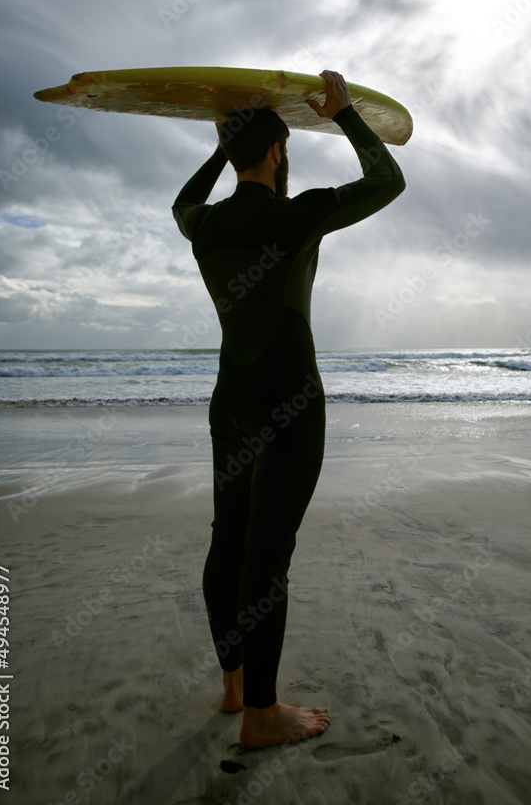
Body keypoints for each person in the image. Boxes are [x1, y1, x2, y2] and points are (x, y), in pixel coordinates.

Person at [172, 69, 405, 748]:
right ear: (277, 153)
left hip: (231, 402)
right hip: (290, 404)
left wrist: (224, 146)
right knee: (267, 560)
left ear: (235, 153)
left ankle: (234, 685)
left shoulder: (205, 227)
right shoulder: (298, 212)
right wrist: (344, 116)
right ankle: (262, 719)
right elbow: (386, 182)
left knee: (228, 543)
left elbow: (180, 202)